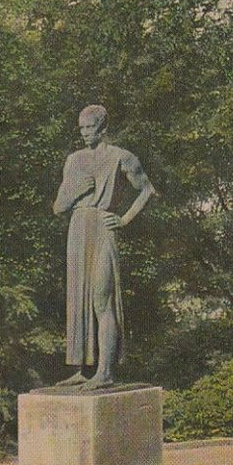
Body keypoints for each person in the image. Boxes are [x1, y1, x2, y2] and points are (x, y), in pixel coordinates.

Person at [53, 105, 156, 389]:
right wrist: (76, 191)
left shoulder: (121, 157)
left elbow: (147, 189)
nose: (85, 133)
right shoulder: (74, 160)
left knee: (102, 297)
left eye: (90, 128)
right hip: (77, 227)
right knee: (79, 299)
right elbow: (58, 207)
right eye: (82, 128)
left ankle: (106, 371)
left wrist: (124, 219)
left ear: (103, 129)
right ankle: (82, 370)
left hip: (102, 228)